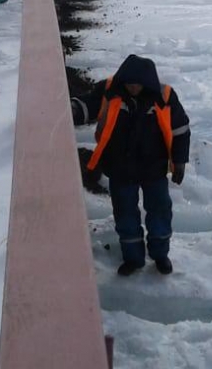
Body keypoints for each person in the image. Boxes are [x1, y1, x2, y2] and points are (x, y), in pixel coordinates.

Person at [72, 55, 190, 276]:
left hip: (154, 168)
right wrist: (75, 109)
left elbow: (181, 130)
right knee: (125, 214)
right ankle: (133, 258)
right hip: (120, 168)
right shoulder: (110, 90)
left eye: (138, 83)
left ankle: (160, 254)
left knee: (160, 211)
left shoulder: (164, 96)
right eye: (129, 83)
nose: (133, 87)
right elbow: (89, 104)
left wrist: (180, 161)